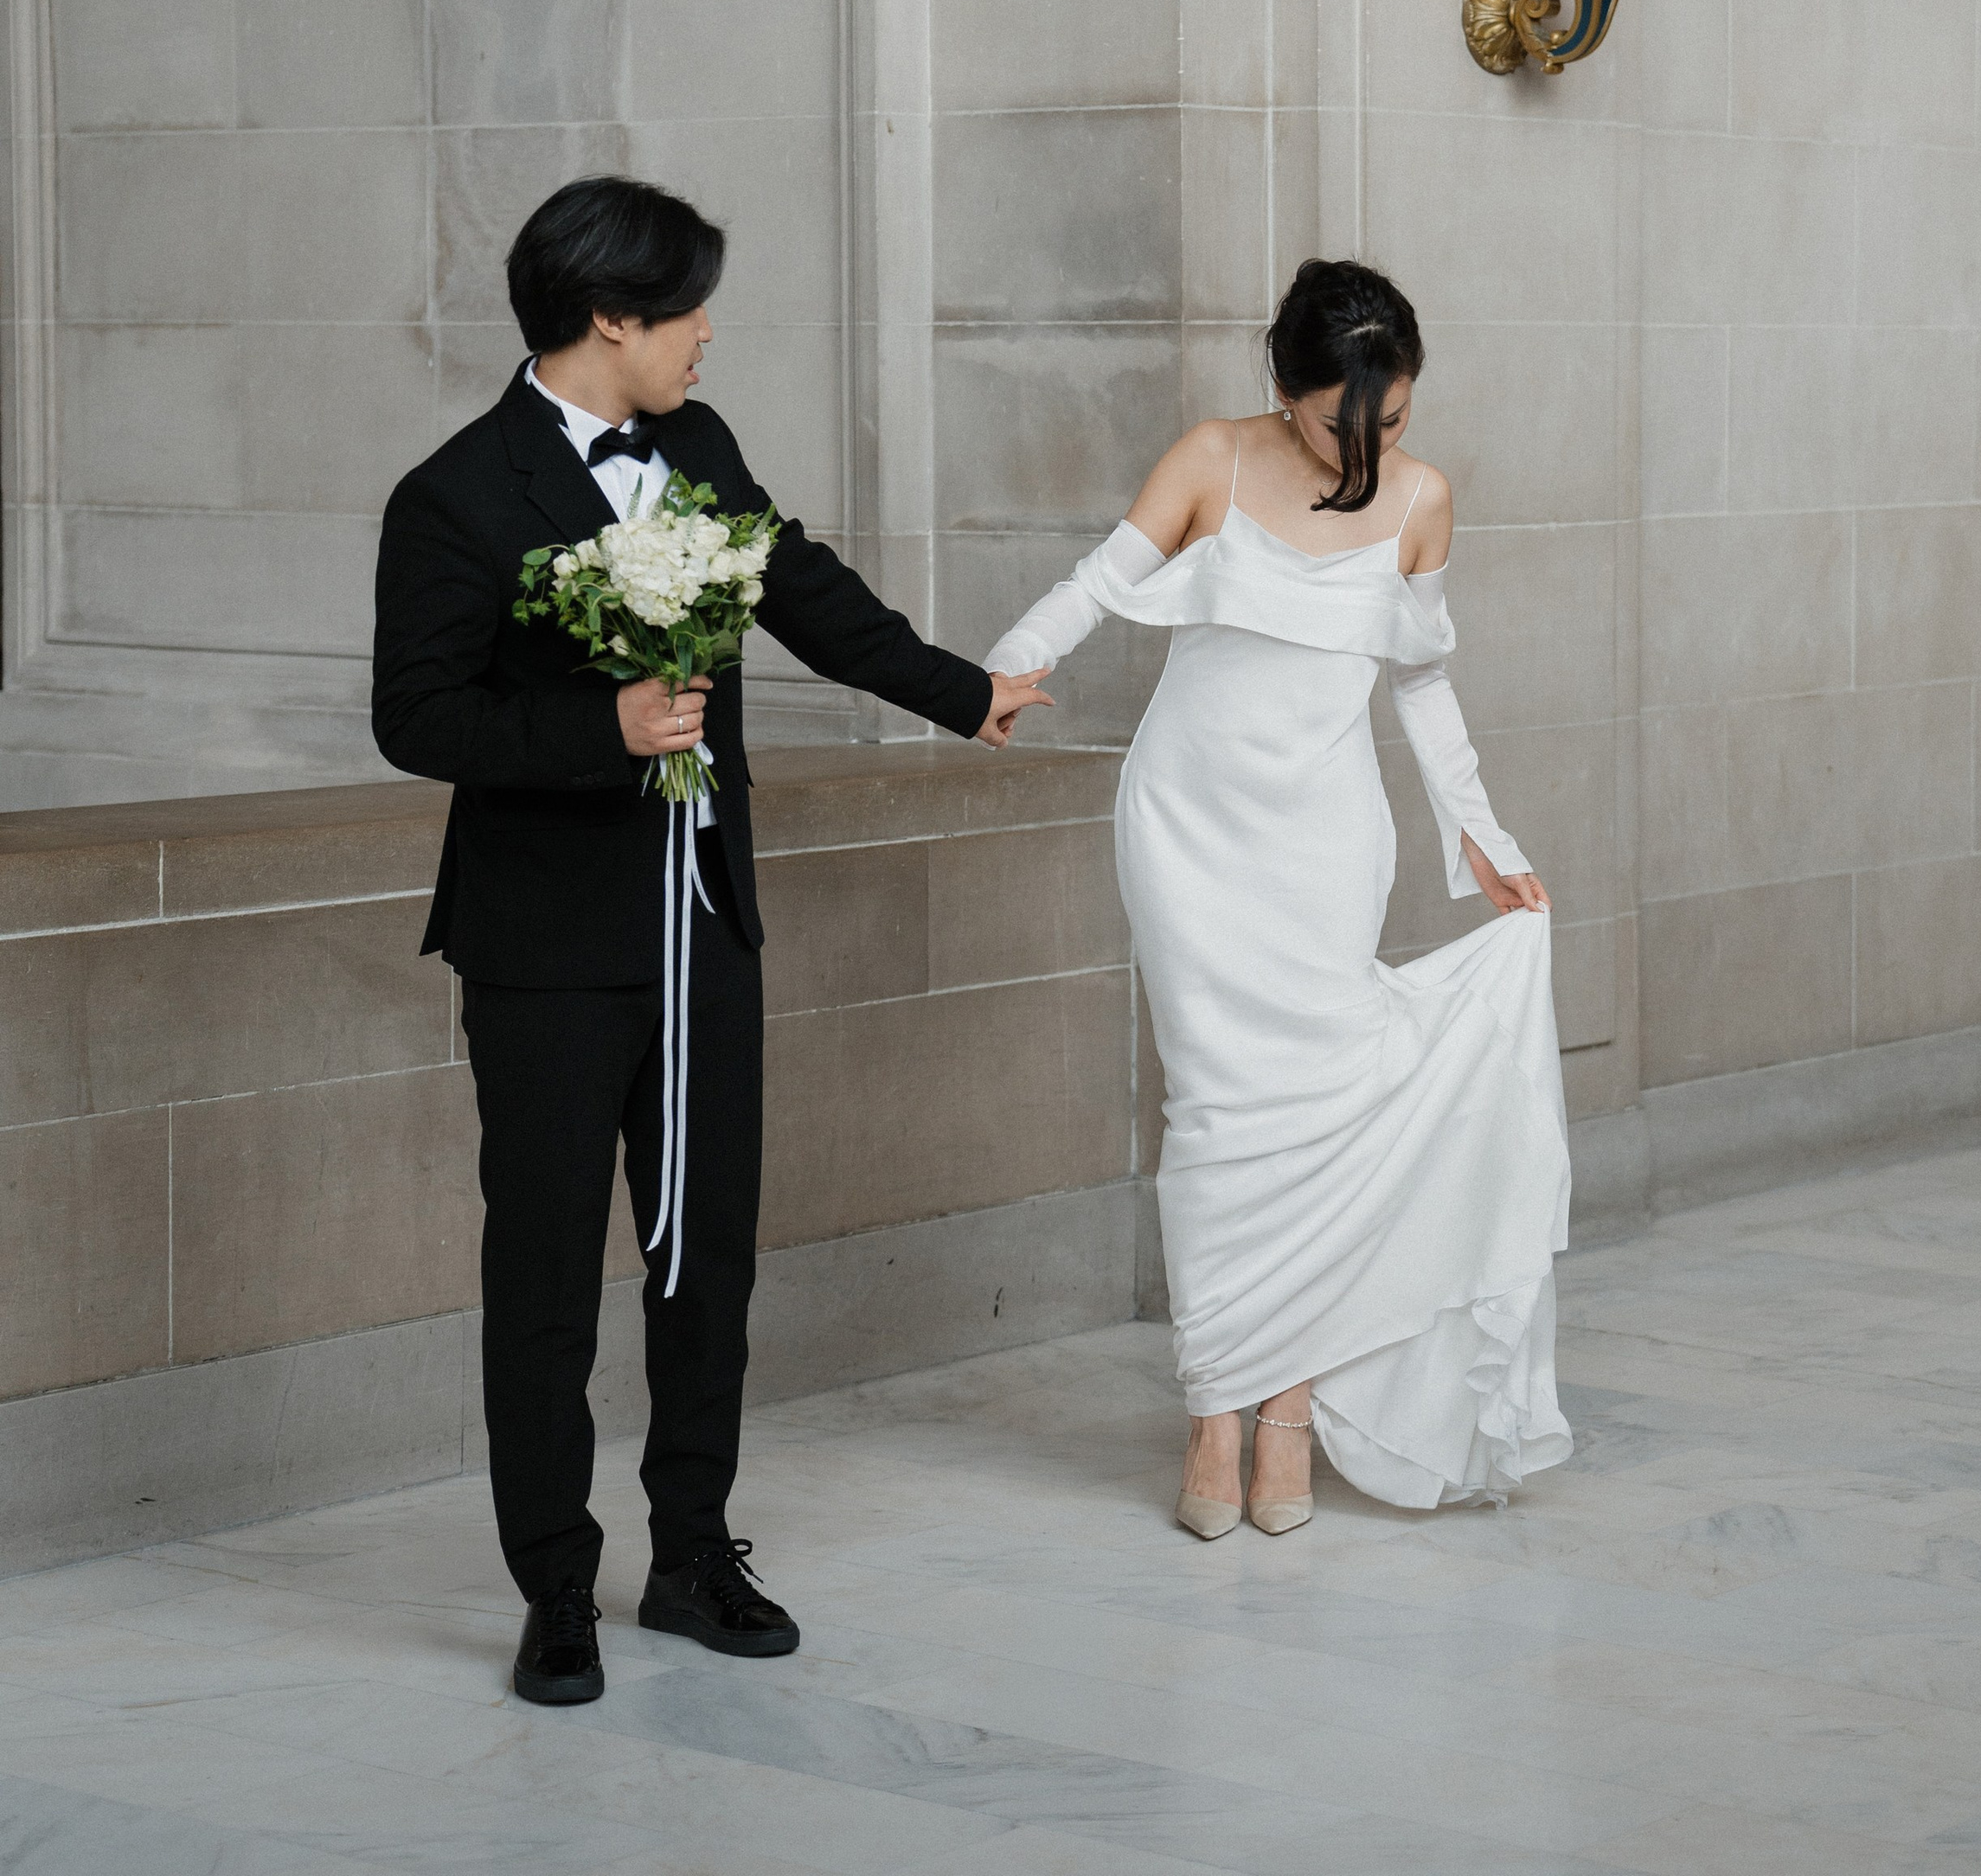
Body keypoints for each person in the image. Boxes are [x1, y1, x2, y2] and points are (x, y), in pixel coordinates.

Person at [372, 176, 1047, 1706]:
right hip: (546, 952)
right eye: (683, 311)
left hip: (702, 925)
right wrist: (597, 726)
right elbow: (412, 717)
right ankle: (556, 1586)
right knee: (544, 1273)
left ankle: (692, 1552)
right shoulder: (456, 496)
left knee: (707, 1260)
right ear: (608, 318)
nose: (704, 335)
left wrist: (962, 690)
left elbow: (798, 586)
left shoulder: (700, 446)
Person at [986, 257, 1571, 1535]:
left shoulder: (1421, 499)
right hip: (1189, 825)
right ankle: (1214, 1408)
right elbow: (1096, 583)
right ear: (1284, 391)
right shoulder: (1213, 458)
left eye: (1395, 421)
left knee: (1316, 1109)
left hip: (1323, 835)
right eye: (1337, 423)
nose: (1366, 448)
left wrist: (1479, 833)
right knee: (1214, 1113)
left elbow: (1419, 680)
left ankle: (1290, 1408)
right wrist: (1004, 669)